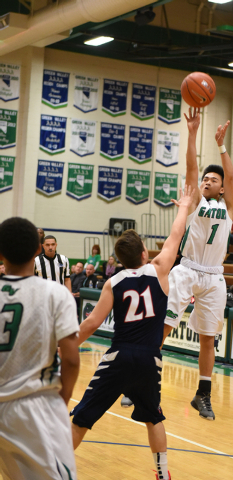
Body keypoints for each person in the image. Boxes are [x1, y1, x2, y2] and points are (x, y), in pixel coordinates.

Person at [70, 185, 194, 480]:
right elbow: (175, 237)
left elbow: (91, 324)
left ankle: (54, 469)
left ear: (119, 260)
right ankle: (163, 474)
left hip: (120, 355)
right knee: (154, 417)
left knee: (83, 417)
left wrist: (65, 346)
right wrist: (184, 207)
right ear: (144, 252)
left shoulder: (113, 282)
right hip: (151, 358)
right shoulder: (160, 269)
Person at [159, 110, 233, 420]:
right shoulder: (195, 200)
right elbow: (192, 167)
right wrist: (193, 133)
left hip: (214, 276)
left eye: (213, 180)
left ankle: (202, 395)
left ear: (221, 188)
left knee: (208, 339)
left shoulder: (227, 207)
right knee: (163, 327)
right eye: (205, 179)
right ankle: (139, 381)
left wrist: (222, 146)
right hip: (187, 269)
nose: (207, 181)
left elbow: (231, 178)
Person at [0, 217, 80, 480]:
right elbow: (70, 360)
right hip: (34, 408)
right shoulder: (56, 294)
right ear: (37, 249)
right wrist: (61, 401)